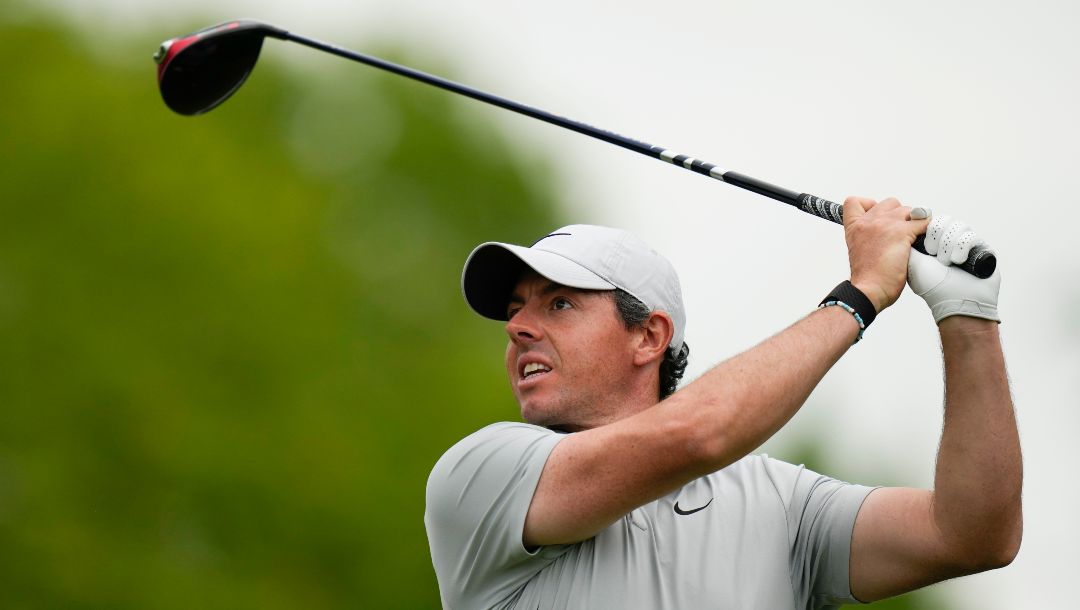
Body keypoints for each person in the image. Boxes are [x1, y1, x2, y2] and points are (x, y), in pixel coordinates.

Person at [424, 197, 1022, 609]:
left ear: (649, 337)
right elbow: (699, 432)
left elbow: (973, 535)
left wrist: (967, 321)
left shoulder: (783, 505)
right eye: (514, 311)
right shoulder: (482, 471)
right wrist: (860, 295)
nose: (518, 328)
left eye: (558, 305)